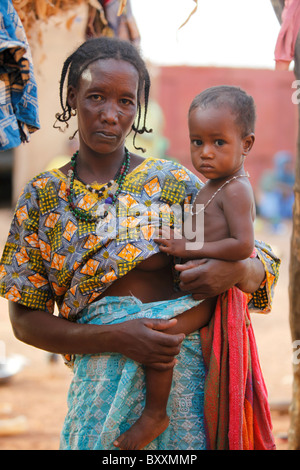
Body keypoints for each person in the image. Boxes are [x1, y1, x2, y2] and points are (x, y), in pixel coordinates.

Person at [0, 37, 280, 450]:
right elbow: (24, 322)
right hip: (100, 389)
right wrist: (118, 337)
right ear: (73, 96)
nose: (111, 115)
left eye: (126, 102)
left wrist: (238, 270)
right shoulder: (43, 198)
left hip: (182, 388)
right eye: (96, 97)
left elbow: (263, 263)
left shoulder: (172, 183)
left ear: (138, 108)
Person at [115, 86, 257, 450]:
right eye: (197, 142)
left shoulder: (236, 189)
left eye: (219, 143)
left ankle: (155, 414)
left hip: (209, 297)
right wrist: (176, 237)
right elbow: (193, 234)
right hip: (186, 290)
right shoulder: (208, 186)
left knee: (160, 338)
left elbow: (242, 246)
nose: (205, 152)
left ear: (247, 144)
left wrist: (187, 244)